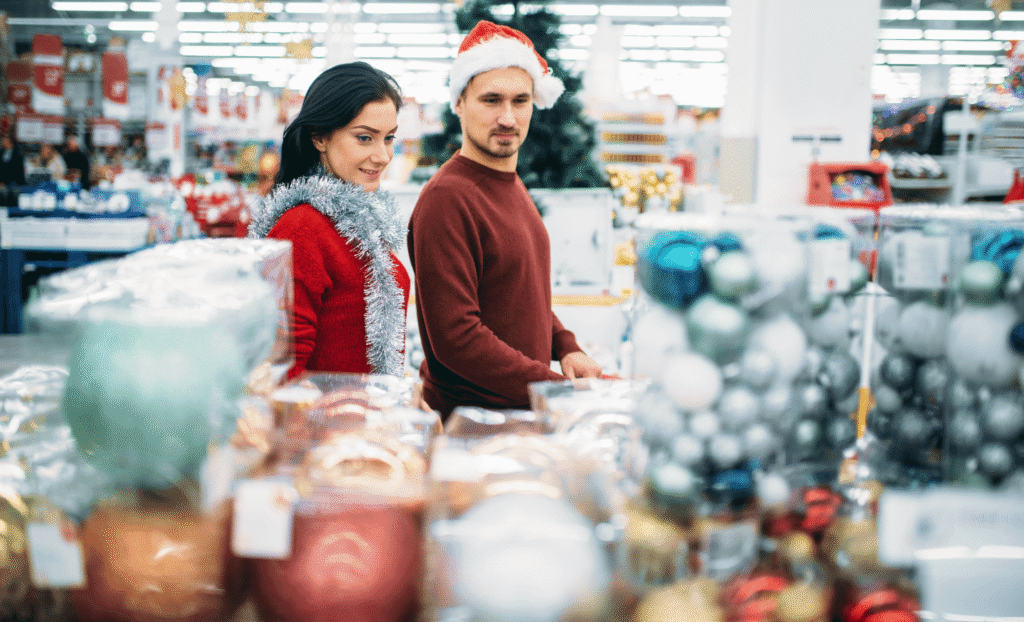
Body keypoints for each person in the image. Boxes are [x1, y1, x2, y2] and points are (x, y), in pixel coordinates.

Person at [408, 20, 603, 419]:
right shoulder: (448, 199)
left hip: (514, 416)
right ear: (459, 103)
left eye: (520, 101)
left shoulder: (509, 183)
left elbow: (516, 292)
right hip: (472, 426)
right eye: (491, 100)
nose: (509, 118)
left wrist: (565, 346)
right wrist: (557, 390)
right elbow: (457, 338)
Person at [248, 62, 409, 378]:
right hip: (326, 424)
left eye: (388, 138)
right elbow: (280, 370)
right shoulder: (302, 229)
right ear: (319, 137)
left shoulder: (359, 224)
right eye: (365, 138)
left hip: (367, 421)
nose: (383, 155)